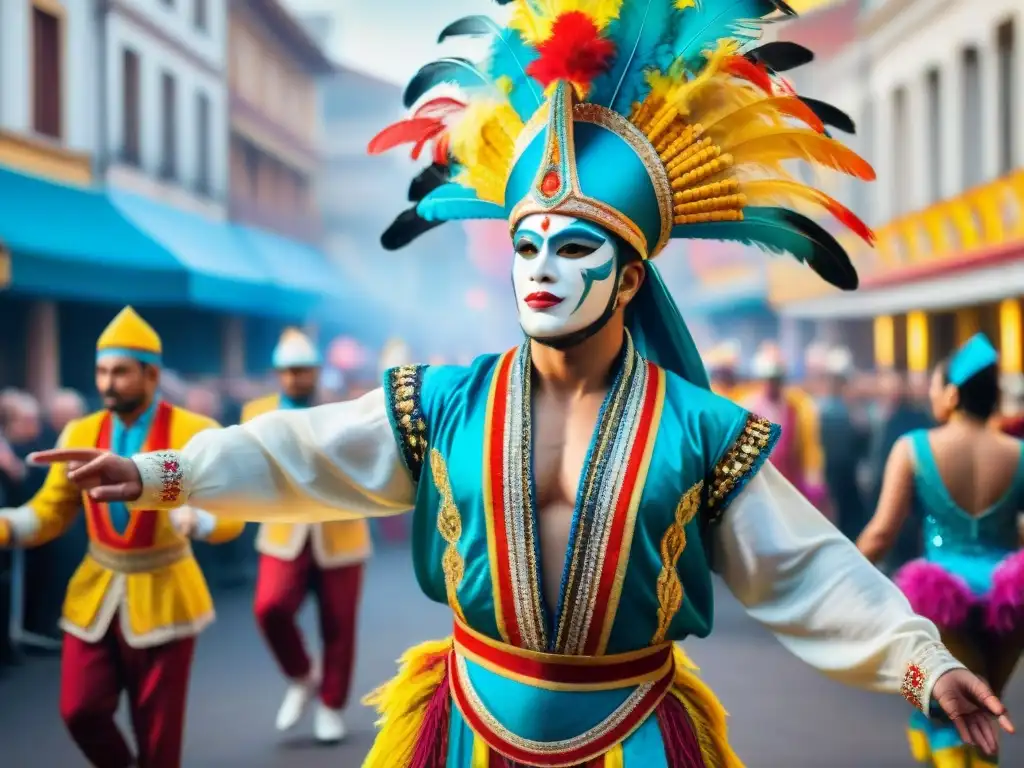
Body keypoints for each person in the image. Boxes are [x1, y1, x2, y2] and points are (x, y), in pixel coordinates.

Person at [32, 4, 1012, 766]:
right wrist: (159, 473)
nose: (541, 263)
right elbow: (301, 450)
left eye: (576, 244)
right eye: (526, 242)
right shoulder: (448, 402)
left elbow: (804, 566)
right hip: (462, 728)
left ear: (631, 276)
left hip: (636, 734)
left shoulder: (704, 432)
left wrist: (918, 660)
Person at [0, 306, 246, 768]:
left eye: (120, 372)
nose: (107, 383)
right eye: (101, 371)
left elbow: (230, 511)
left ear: (151, 374)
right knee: (80, 710)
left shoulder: (196, 432)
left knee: (158, 731)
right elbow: (50, 512)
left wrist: (200, 522)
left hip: (167, 587)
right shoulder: (81, 431)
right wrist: (8, 526)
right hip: (97, 588)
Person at [857, 334, 1024, 768]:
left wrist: (842, 583)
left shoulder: (913, 448)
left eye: (934, 386)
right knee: (984, 710)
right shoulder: (1018, 453)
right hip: (1011, 597)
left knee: (943, 709)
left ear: (950, 394)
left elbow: (880, 534)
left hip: (940, 598)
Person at [247, 329, 370, 743]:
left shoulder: (343, 411)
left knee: (339, 623)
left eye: (303, 370)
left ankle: (332, 704)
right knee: (270, 607)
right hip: (283, 531)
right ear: (277, 374)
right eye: (288, 371)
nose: (295, 378)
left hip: (342, 532)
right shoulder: (256, 413)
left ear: (317, 371)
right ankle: (302, 674)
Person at [744, 342, 827, 511]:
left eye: (776, 379)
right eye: (769, 379)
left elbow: (809, 449)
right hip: (759, 490)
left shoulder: (797, 408)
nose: (772, 385)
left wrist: (814, 482)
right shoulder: (749, 408)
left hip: (790, 485)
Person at [819, 347, 869, 540]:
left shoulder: (856, 411)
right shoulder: (821, 409)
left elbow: (863, 446)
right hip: (830, 478)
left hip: (849, 480)